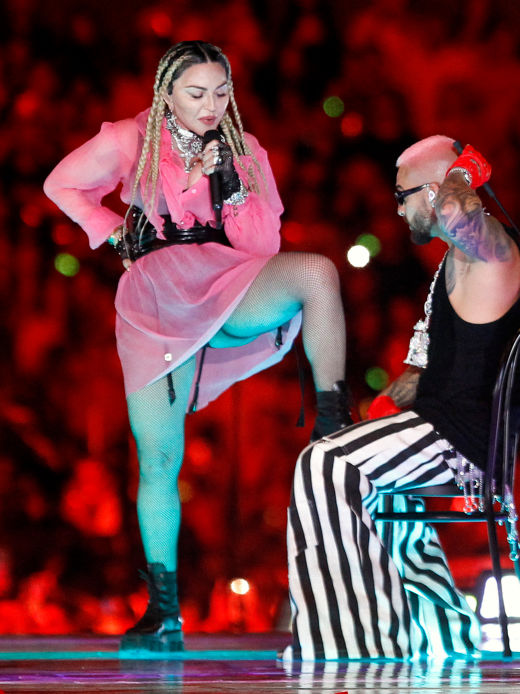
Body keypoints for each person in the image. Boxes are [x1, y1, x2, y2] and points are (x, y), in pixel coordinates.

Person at [43, 41, 352, 651]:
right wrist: (113, 232)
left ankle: (334, 426)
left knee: (317, 272)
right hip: (157, 300)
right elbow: (61, 184)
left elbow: (262, 247)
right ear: (166, 93)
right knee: (159, 461)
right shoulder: (130, 138)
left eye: (221, 92)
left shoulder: (245, 147)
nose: (211, 105)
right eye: (196, 93)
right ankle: (163, 611)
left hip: (224, 281)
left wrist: (231, 184)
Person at [284, 135, 520, 659]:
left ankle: (357, 641)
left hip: (460, 441)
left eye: (403, 196)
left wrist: (461, 174)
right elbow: (433, 371)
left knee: (325, 465)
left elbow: (460, 214)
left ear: (437, 190)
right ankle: (440, 631)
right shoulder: (456, 260)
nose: (398, 209)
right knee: (359, 471)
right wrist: (381, 411)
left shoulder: (489, 245)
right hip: (442, 428)